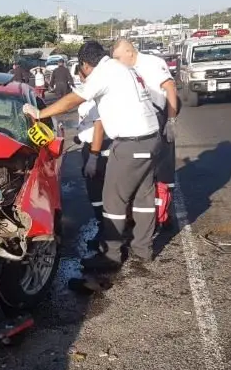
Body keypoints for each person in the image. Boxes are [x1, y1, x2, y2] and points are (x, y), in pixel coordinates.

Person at [22, 40, 160, 271]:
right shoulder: (123, 69)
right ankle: (143, 249)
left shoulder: (104, 72)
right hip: (151, 139)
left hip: (130, 143)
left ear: (85, 64)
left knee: (113, 200)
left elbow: (73, 100)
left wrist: (39, 112)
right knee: (143, 198)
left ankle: (111, 256)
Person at [112, 39, 179, 229]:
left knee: (164, 169)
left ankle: (167, 212)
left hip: (159, 119)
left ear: (129, 52)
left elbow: (170, 88)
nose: (116, 61)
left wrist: (171, 121)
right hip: (139, 122)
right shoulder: (122, 71)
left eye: (117, 57)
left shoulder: (152, 64)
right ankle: (143, 216)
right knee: (144, 172)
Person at [74, 71, 111, 252]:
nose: (80, 79)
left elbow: (99, 126)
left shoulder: (97, 92)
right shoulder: (88, 91)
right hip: (90, 145)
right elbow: (85, 121)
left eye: (81, 74)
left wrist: (94, 156)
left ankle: (108, 233)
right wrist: (79, 135)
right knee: (95, 192)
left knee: (100, 190)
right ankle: (104, 227)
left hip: (100, 147)